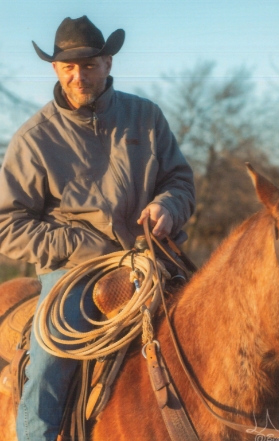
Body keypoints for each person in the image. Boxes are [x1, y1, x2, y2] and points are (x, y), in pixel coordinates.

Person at [0, 16, 195, 441]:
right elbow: (7, 224)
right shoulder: (34, 139)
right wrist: (77, 242)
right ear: (55, 68)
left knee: (223, 317)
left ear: (107, 62)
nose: (78, 75)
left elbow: (179, 180)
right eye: (68, 66)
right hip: (74, 272)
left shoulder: (146, 116)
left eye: (88, 65)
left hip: (154, 259)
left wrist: (167, 205)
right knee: (51, 360)